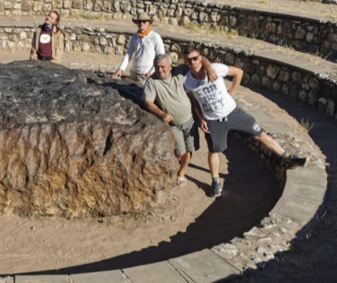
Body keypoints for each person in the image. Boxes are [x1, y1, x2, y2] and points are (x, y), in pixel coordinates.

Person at [182, 46, 307, 197]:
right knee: (214, 150)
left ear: (200, 57)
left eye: (195, 58)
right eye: (189, 60)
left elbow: (238, 72)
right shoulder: (187, 81)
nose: (193, 62)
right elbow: (194, 102)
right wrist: (201, 118)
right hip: (213, 120)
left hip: (234, 113)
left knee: (260, 134)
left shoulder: (215, 68)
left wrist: (233, 91)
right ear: (186, 62)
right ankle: (215, 182)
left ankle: (287, 158)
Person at [144, 54, 199, 187]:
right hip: (174, 124)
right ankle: (176, 170)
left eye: (163, 67)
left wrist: (210, 69)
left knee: (189, 149)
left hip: (190, 120)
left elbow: (197, 62)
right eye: (157, 67)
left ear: (170, 66)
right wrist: (161, 113)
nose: (160, 70)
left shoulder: (179, 71)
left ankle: (181, 173)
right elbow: (148, 102)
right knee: (180, 151)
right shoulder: (152, 81)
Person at [112, 13, 165, 88]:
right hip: (134, 73)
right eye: (139, 21)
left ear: (148, 23)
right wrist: (121, 69)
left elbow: (161, 56)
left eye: (144, 21)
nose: (141, 24)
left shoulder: (155, 37)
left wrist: (152, 72)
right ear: (137, 23)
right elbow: (129, 54)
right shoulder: (134, 37)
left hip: (147, 75)